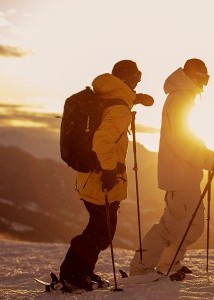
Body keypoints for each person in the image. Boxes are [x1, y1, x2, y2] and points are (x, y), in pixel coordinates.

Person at [59, 59, 152, 291]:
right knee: (101, 232)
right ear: (129, 79)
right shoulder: (119, 107)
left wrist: (136, 98)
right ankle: (73, 272)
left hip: (90, 174)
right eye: (137, 78)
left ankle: (82, 270)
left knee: (100, 229)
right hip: (102, 177)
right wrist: (110, 170)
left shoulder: (106, 97)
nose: (138, 82)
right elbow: (102, 140)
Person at [129, 58, 214, 281]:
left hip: (181, 175)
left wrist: (208, 156)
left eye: (207, 79)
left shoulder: (182, 97)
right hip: (181, 176)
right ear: (193, 75)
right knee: (186, 227)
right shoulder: (181, 99)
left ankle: (157, 265)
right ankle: (159, 267)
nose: (204, 84)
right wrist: (208, 161)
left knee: (175, 226)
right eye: (203, 78)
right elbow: (181, 141)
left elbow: (189, 137)